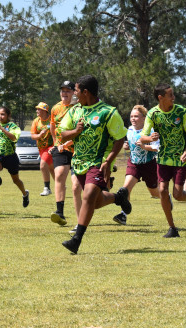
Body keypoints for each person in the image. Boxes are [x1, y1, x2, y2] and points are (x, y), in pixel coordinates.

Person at [60, 75, 129, 254]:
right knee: (96, 202)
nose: (74, 94)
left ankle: (76, 240)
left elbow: (120, 138)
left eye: (76, 90)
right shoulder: (74, 111)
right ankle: (118, 197)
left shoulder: (108, 112)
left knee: (89, 196)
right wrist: (75, 131)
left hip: (99, 162)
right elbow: (63, 134)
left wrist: (108, 160)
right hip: (79, 162)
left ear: (85, 92)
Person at [139, 83, 186, 238]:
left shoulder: (181, 111)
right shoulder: (153, 113)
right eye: (170, 95)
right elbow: (143, 137)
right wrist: (150, 138)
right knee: (163, 190)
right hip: (163, 158)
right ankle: (172, 228)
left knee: (178, 195)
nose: (174, 97)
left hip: (179, 159)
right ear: (161, 97)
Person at [112, 105, 160, 225]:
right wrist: (126, 146)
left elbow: (157, 147)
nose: (133, 119)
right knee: (125, 189)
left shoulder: (151, 131)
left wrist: (144, 146)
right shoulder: (129, 130)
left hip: (149, 165)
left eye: (136, 116)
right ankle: (123, 215)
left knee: (154, 192)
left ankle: (166, 196)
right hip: (134, 163)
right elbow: (129, 144)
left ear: (144, 118)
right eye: (131, 116)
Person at [0, 107, 30, 208]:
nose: (0, 117)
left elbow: (14, 137)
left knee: (16, 180)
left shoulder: (13, 126)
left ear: (8, 116)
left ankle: (25, 194)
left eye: (2, 114)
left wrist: (2, 128)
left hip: (10, 156)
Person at [49, 81, 78, 226]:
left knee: (76, 185)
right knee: (59, 175)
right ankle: (60, 212)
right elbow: (53, 127)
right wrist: (56, 144)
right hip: (61, 148)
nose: (64, 93)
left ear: (74, 92)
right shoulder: (56, 108)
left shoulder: (79, 108)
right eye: (62, 90)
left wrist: (69, 142)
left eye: (67, 90)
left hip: (78, 149)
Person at [30, 102, 54, 196]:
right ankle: (60, 185)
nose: (37, 111)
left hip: (50, 147)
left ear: (45, 111)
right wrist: (40, 135)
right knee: (51, 168)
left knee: (43, 165)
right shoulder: (36, 121)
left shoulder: (52, 119)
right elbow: (32, 136)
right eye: (37, 109)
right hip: (41, 148)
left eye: (39, 109)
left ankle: (46, 188)